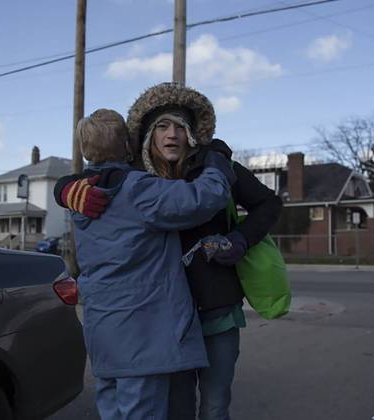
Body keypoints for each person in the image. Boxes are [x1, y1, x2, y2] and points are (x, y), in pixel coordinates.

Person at [57, 84, 281, 420]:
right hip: (163, 325)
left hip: (215, 310)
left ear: (193, 133)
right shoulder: (136, 176)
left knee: (214, 407)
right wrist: (64, 189)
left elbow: (269, 204)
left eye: (181, 126)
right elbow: (98, 167)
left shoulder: (215, 165)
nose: (172, 134)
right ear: (145, 136)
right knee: (174, 410)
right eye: (162, 126)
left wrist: (239, 240)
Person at [67, 108, 236, 420]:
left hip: (102, 333)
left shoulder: (79, 195)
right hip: (141, 335)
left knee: (112, 411)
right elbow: (204, 198)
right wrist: (215, 163)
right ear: (129, 146)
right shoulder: (139, 190)